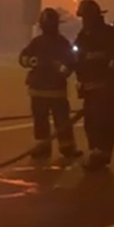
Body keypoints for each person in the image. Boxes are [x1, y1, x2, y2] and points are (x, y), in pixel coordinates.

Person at [71, 0, 114, 170]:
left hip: (108, 89)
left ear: (94, 17)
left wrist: (113, 77)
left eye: (86, 17)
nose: (84, 21)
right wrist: (80, 78)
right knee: (92, 122)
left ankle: (101, 154)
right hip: (91, 89)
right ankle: (99, 153)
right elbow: (78, 58)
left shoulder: (110, 35)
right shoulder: (83, 36)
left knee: (105, 122)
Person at [18, 8, 82, 160]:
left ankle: (45, 148)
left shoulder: (39, 42)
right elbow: (71, 63)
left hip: (42, 90)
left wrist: (59, 68)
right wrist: (61, 69)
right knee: (61, 120)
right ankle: (65, 147)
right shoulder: (61, 43)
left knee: (43, 121)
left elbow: (23, 57)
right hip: (52, 90)